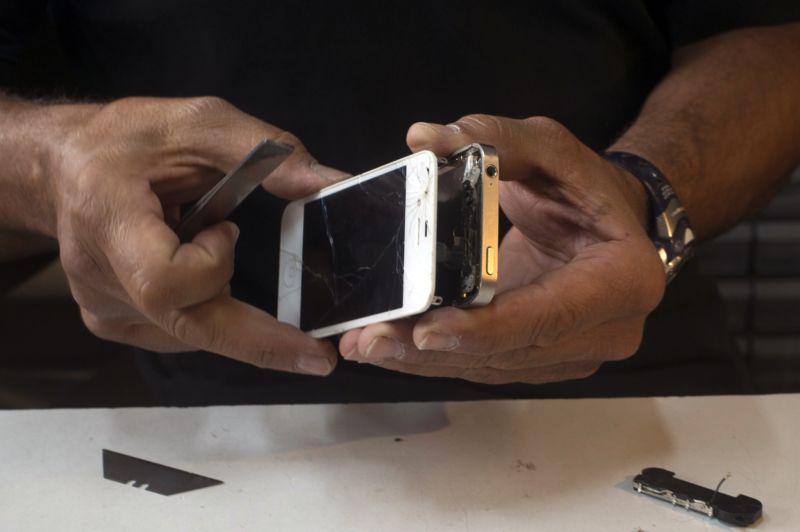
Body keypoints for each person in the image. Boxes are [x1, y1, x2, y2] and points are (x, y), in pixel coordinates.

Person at [1, 2, 799, 404]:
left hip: (624, 351)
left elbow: (766, 32)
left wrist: (643, 193)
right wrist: (48, 163)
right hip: (210, 403)